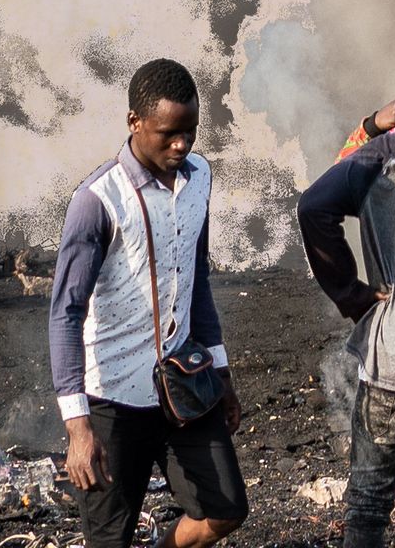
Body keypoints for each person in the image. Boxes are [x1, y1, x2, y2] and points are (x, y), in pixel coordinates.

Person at [49, 58, 248, 548]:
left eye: (190, 131)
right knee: (109, 540)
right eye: (168, 133)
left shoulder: (200, 177)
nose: (182, 145)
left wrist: (222, 374)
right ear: (134, 122)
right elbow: (66, 313)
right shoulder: (97, 200)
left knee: (226, 510)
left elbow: (197, 276)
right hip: (112, 400)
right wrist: (78, 427)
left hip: (182, 382)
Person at [298, 117, 395, 548]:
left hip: (394, 361)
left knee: (366, 512)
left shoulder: (389, 153)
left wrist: (353, 296)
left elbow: (316, 203)